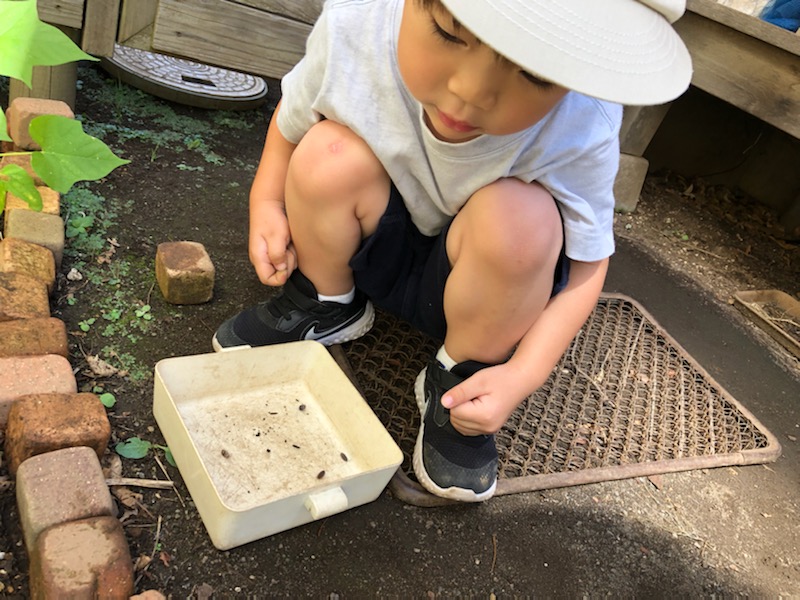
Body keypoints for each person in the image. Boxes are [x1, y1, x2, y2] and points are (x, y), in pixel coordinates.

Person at [213, 0, 692, 502]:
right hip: (373, 241)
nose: (470, 90)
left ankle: (462, 373)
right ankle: (327, 298)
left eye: (533, 72)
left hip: (484, 288)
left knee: (523, 222)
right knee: (326, 150)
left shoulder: (584, 118)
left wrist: (520, 376)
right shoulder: (357, 24)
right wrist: (266, 201)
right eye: (449, 32)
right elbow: (294, 117)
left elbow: (588, 267)